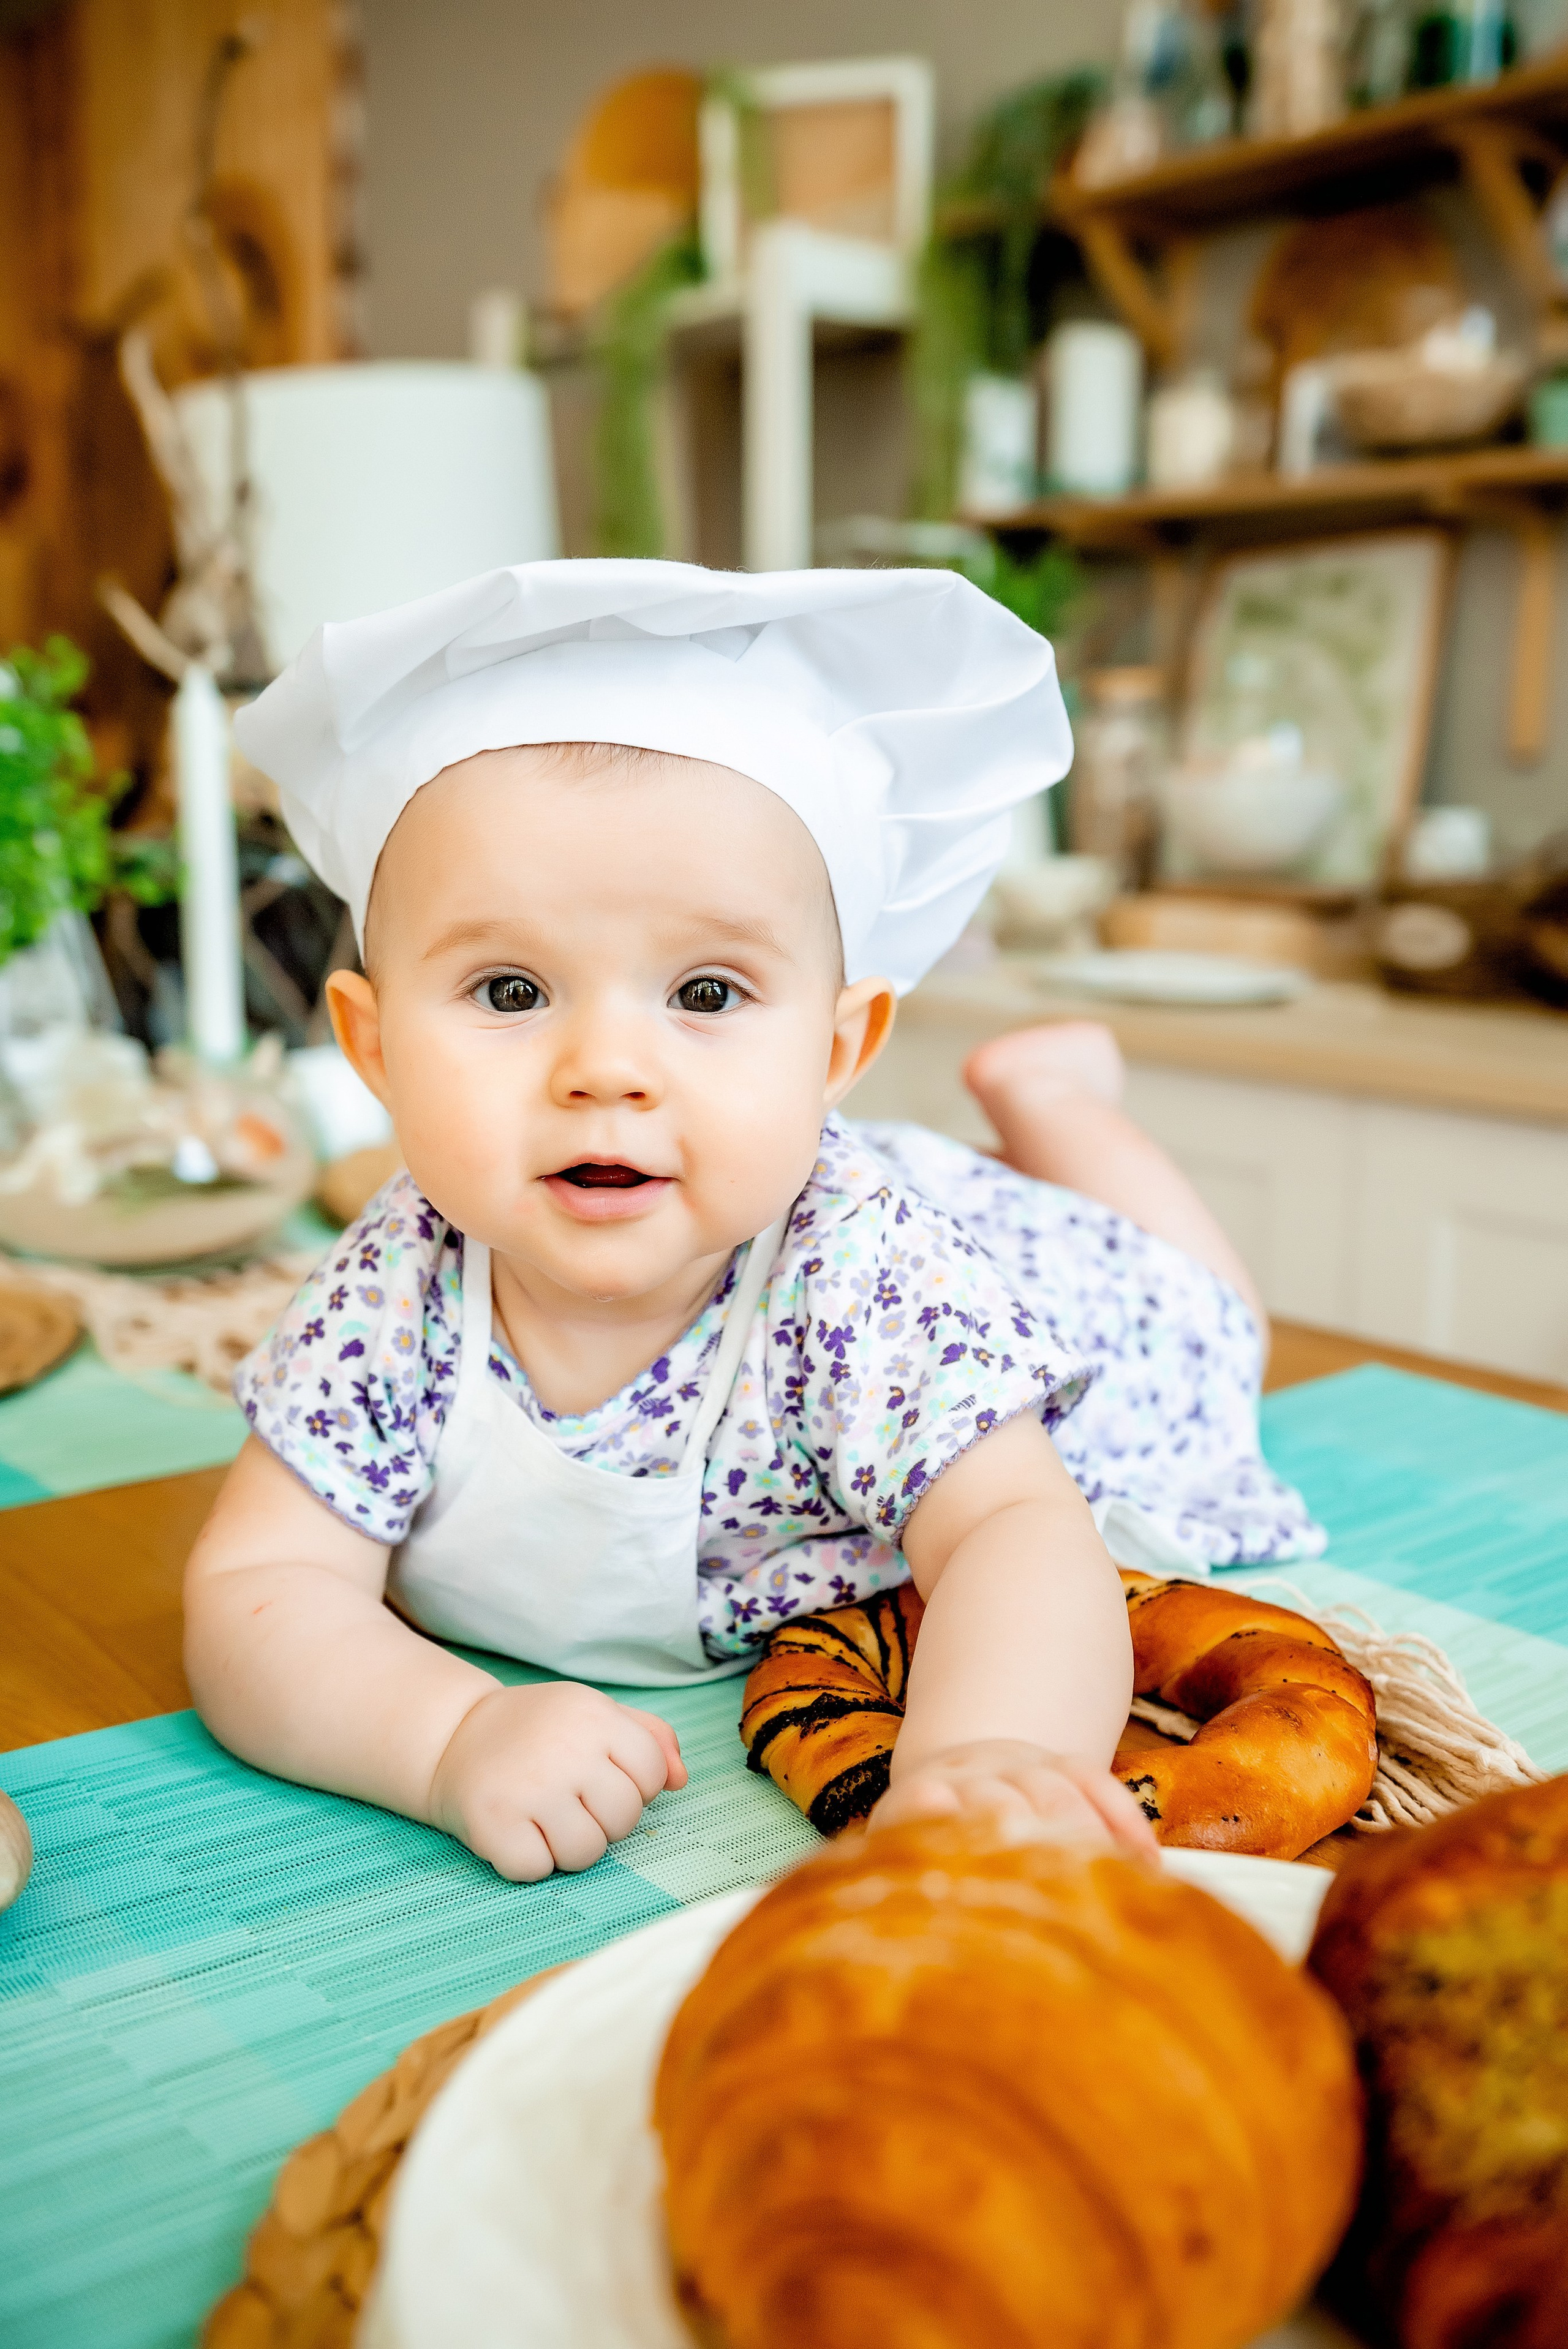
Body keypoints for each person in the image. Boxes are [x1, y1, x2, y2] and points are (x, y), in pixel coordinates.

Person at [184, 562, 1321, 1885]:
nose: (604, 1066)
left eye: (707, 992)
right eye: (508, 989)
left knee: (1208, 1312)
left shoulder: (861, 1280)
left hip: (1031, 1275)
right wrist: (447, 1738)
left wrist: (978, 1757)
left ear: (837, 1048)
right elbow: (255, 1588)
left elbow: (1018, 1527)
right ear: (372, 1048)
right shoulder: (398, 1280)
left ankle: (1053, 1097)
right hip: (798, 1179)